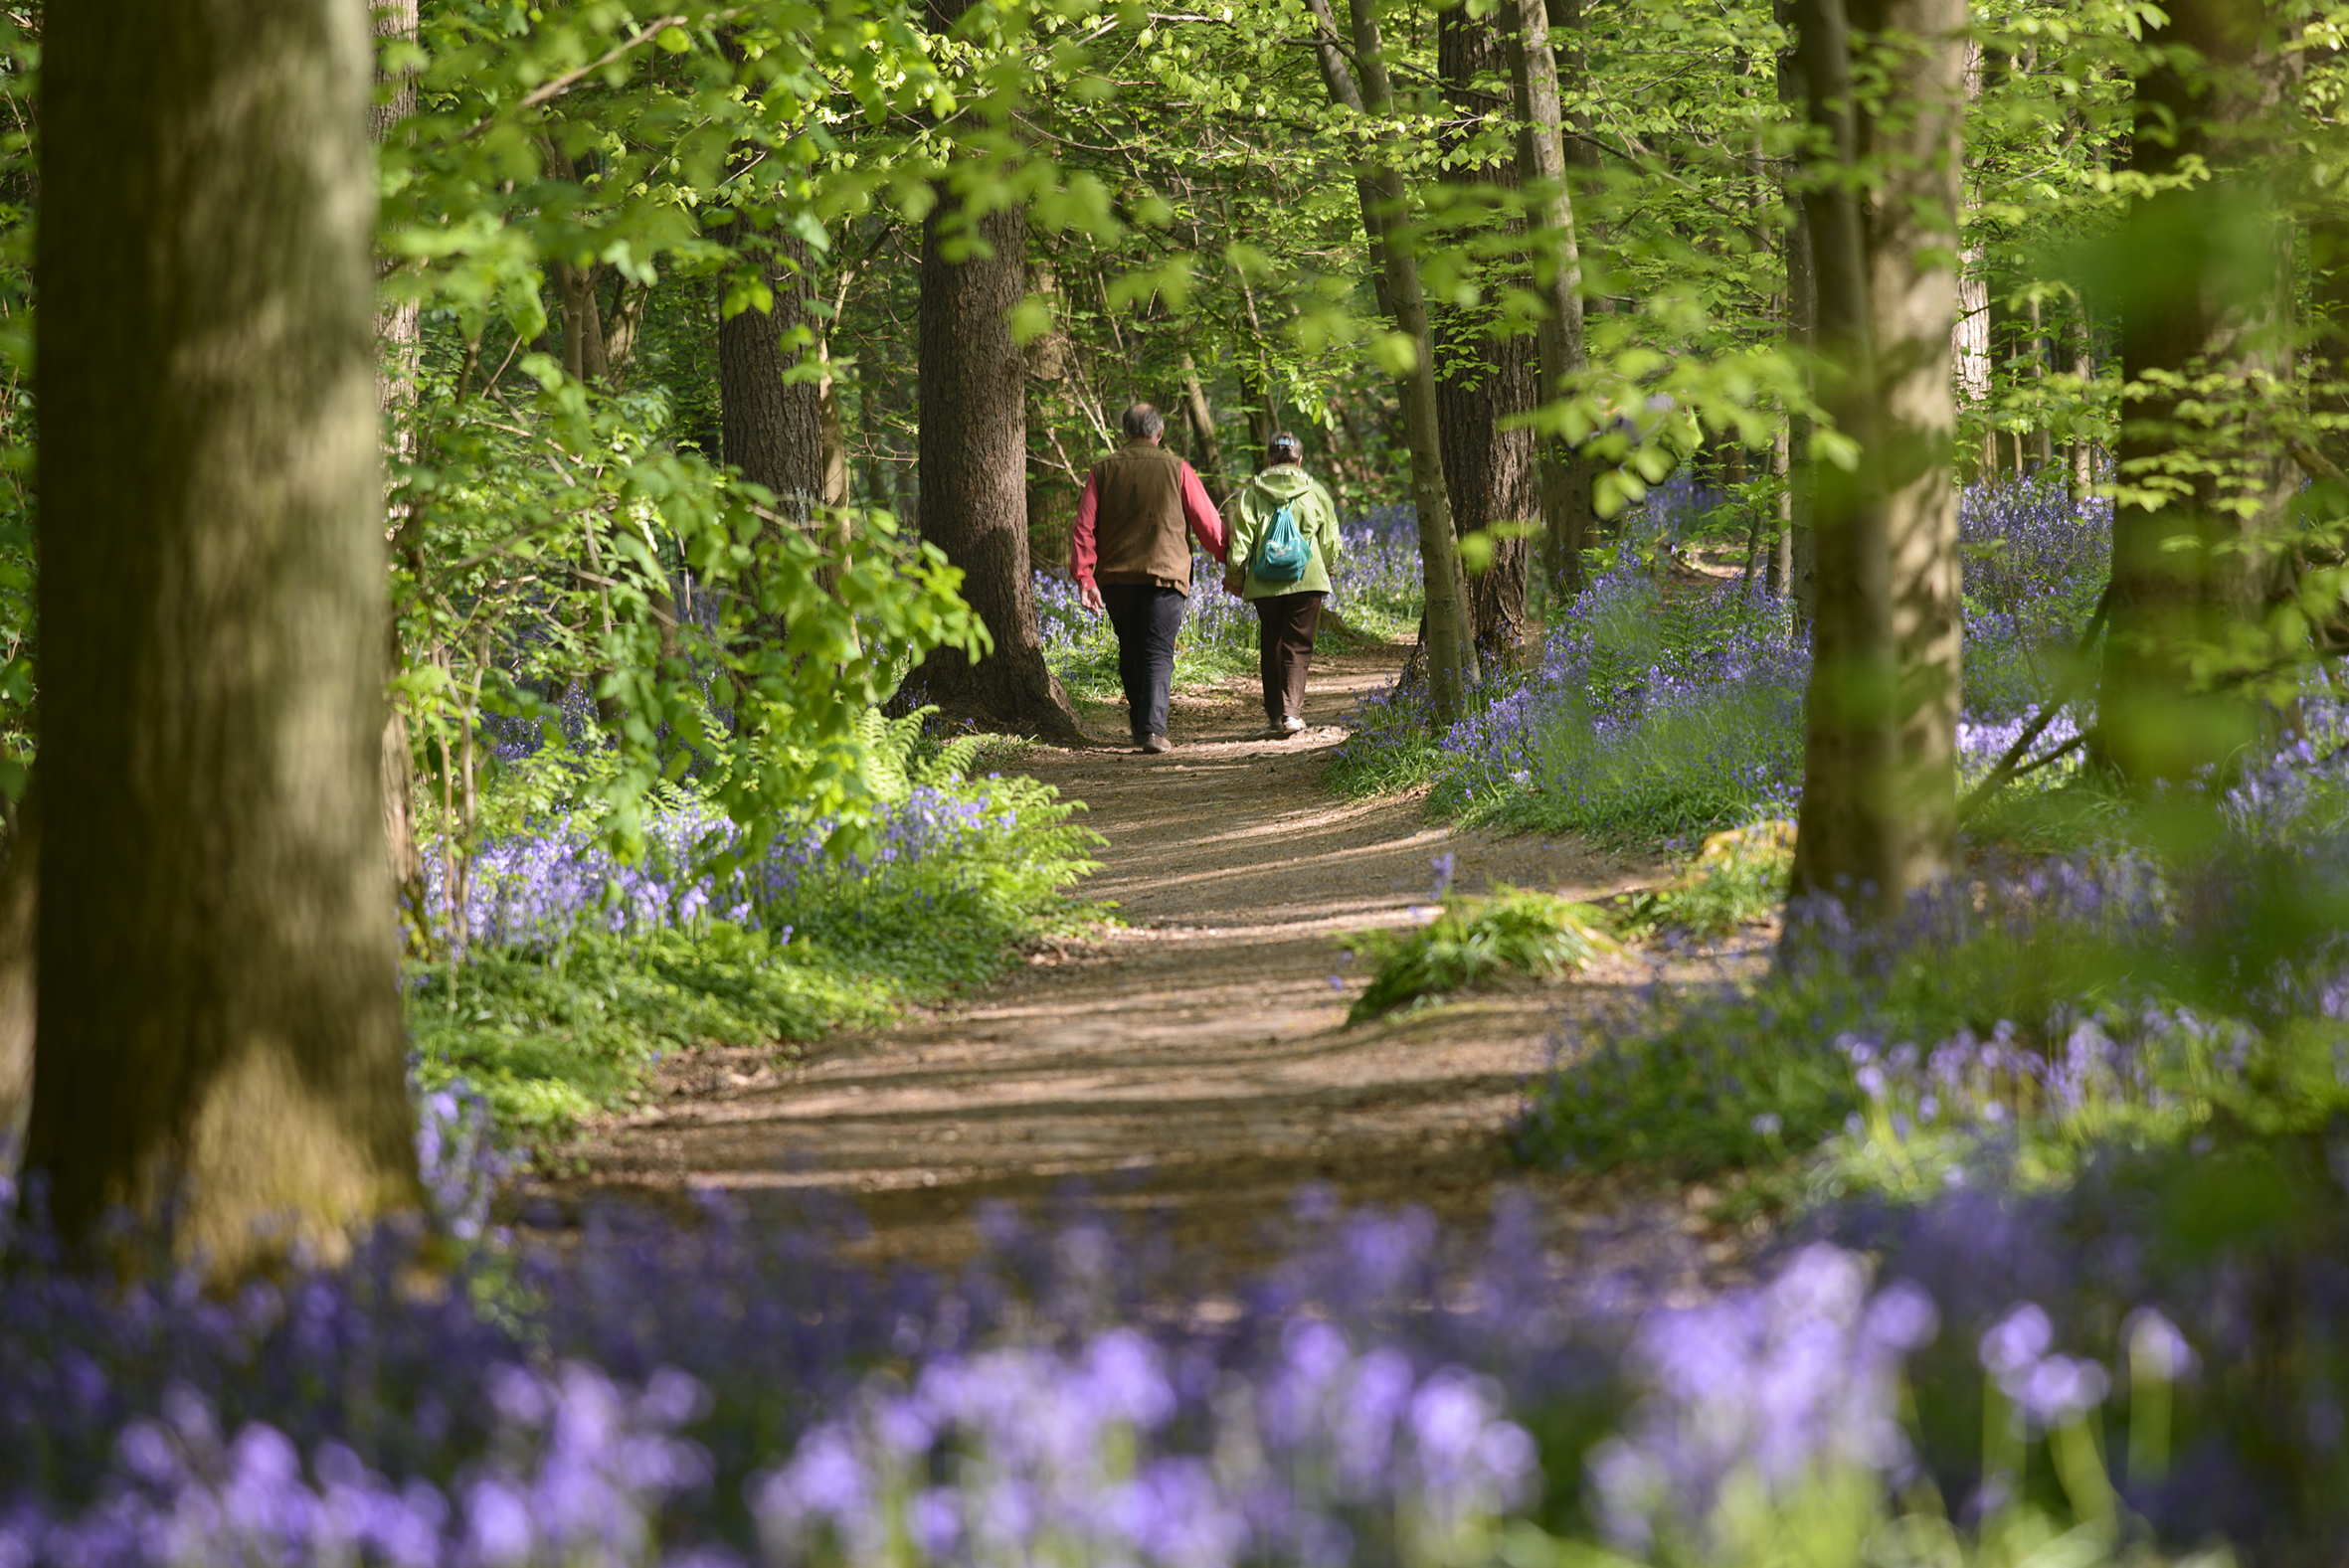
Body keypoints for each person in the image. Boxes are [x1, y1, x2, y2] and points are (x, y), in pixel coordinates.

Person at [1073, 403, 1228, 754]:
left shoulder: (1102, 470)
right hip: (1167, 577)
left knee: (1130, 648)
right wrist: (1227, 557)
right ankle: (1152, 730)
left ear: (1125, 433)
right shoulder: (1178, 468)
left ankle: (1142, 722)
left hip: (1116, 578)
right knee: (1158, 651)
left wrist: (1086, 577)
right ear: (1159, 433)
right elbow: (1208, 523)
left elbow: (1084, 527)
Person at [1222, 432, 1342, 738]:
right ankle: (1291, 714)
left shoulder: (1250, 493)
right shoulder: (1316, 491)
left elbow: (1240, 545)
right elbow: (1330, 541)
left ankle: (1275, 712)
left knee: (1272, 642)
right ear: (1300, 461)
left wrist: (1235, 579)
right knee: (1298, 646)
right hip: (1307, 579)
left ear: (1270, 461)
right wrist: (1327, 569)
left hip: (1264, 582)